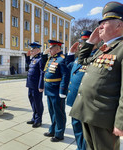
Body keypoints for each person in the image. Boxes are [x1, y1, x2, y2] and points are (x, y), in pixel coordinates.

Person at [70, 2, 123, 149]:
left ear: (119, 25)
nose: (99, 27)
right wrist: (91, 42)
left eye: (104, 23)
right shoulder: (103, 49)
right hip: (87, 112)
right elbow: (81, 61)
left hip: (103, 117)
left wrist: (121, 122)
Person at [66, 30, 99, 150]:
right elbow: (69, 67)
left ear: (93, 43)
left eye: (83, 43)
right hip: (76, 99)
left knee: (85, 130)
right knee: (76, 126)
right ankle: (80, 147)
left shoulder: (96, 57)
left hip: (86, 101)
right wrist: (70, 53)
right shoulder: (79, 58)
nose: (80, 45)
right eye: (80, 43)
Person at [43, 40, 70, 142]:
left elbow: (65, 76)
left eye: (51, 48)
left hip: (57, 90)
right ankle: (52, 130)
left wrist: (62, 91)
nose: (49, 50)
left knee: (59, 113)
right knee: (52, 111)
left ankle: (59, 134)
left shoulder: (62, 59)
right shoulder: (51, 59)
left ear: (57, 48)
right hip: (50, 89)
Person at [25, 42, 47, 128]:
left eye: (32, 49)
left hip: (36, 85)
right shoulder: (33, 59)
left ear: (38, 50)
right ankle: (34, 118)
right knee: (32, 102)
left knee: (38, 103)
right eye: (31, 49)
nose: (31, 51)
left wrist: (41, 85)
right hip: (30, 84)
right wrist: (27, 57)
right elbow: (28, 66)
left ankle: (38, 120)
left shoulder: (40, 59)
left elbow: (42, 73)